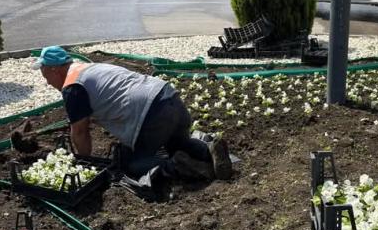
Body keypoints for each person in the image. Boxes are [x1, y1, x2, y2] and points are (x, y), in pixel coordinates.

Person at [33, 46, 231, 181]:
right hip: (170, 97)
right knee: (178, 142)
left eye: (45, 76)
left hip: (152, 113)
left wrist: (84, 163)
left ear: (55, 70)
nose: (47, 82)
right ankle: (209, 149)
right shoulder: (87, 68)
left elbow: (80, 132)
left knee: (133, 165)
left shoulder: (72, 87)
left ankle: (175, 165)